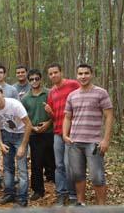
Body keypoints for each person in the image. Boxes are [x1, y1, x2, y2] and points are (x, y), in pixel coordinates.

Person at [63, 64, 114, 206]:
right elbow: (67, 117)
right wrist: (64, 135)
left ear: (91, 74)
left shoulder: (101, 93)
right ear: (76, 75)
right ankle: (81, 203)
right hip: (74, 142)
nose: (83, 76)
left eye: (86, 73)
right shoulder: (72, 95)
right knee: (78, 176)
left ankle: (101, 206)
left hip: (94, 143)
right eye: (80, 73)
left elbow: (109, 116)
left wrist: (106, 140)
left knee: (97, 177)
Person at [0, 84, 32, 207]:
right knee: (7, 166)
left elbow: (28, 125)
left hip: (21, 135)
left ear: (2, 93)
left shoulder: (14, 105)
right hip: (7, 135)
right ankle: (9, 193)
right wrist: (1, 143)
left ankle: (22, 198)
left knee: (22, 168)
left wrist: (23, 146)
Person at [45, 63, 80, 206]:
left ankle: (72, 194)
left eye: (55, 72)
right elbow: (54, 117)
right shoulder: (51, 92)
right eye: (51, 74)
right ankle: (61, 193)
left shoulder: (73, 85)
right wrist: (50, 112)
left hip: (73, 132)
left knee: (69, 164)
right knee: (59, 165)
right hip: (57, 132)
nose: (53, 75)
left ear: (61, 72)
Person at [21, 69, 55, 201]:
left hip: (50, 132)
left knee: (53, 161)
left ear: (41, 79)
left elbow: (56, 111)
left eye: (36, 78)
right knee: (36, 162)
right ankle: (38, 190)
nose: (34, 81)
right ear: (28, 81)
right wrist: (32, 127)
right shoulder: (25, 98)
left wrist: (48, 123)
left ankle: (59, 186)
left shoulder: (49, 93)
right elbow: (23, 117)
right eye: (31, 79)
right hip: (34, 134)